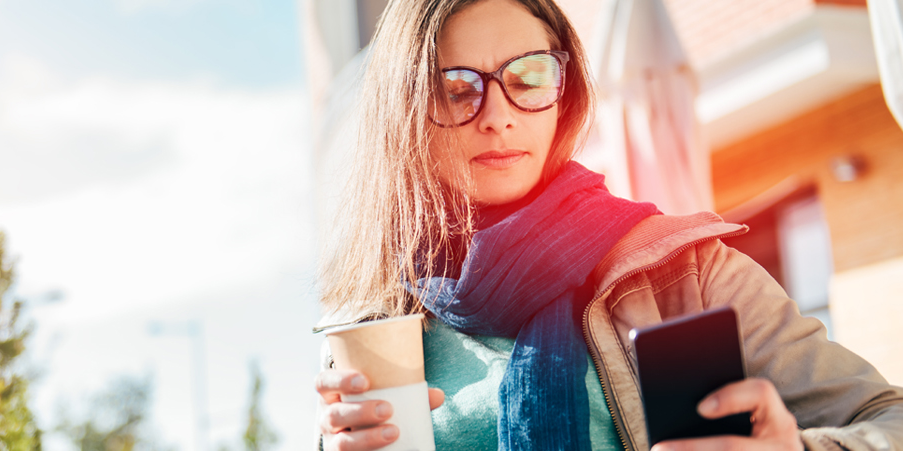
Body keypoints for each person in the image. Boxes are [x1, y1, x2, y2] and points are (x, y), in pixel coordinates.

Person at [311, 0, 903, 450]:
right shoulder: (374, 314)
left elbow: (888, 418)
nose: (496, 117)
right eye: (454, 88)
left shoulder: (683, 272)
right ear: (406, 110)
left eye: (528, 77)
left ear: (563, 94)